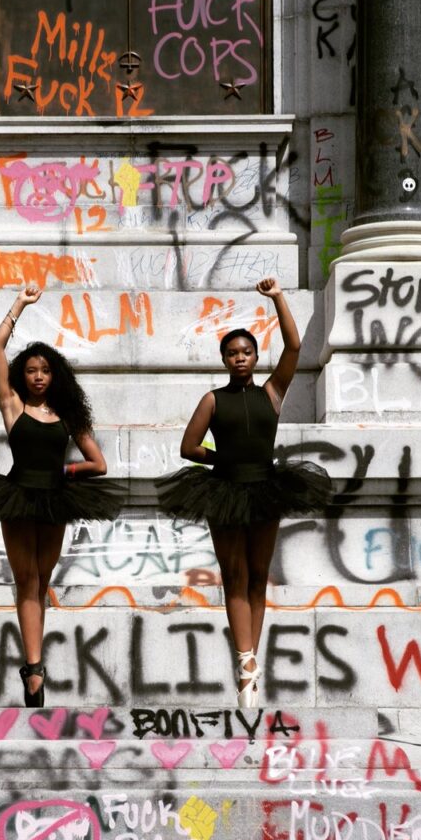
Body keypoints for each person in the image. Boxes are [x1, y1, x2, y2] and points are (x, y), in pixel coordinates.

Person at [157, 278, 332, 708]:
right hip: (225, 490)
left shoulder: (272, 392)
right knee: (233, 576)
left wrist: (277, 298)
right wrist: (223, 460)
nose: (240, 358)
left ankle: (252, 664)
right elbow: (188, 447)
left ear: (255, 357)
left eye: (246, 352)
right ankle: (245, 661)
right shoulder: (213, 400)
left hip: (266, 488)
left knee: (258, 577)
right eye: (232, 353)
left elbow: (293, 348)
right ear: (224, 359)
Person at [0, 285, 122, 707]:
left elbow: (98, 464)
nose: (39, 376)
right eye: (31, 370)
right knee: (25, 579)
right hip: (18, 495)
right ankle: (34, 670)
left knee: (42, 581)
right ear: (22, 375)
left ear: (54, 375)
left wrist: (65, 470)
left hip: (56, 498)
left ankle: (34, 662)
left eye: (45, 370)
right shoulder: (13, 407)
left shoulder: (67, 417)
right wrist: (18, 307)